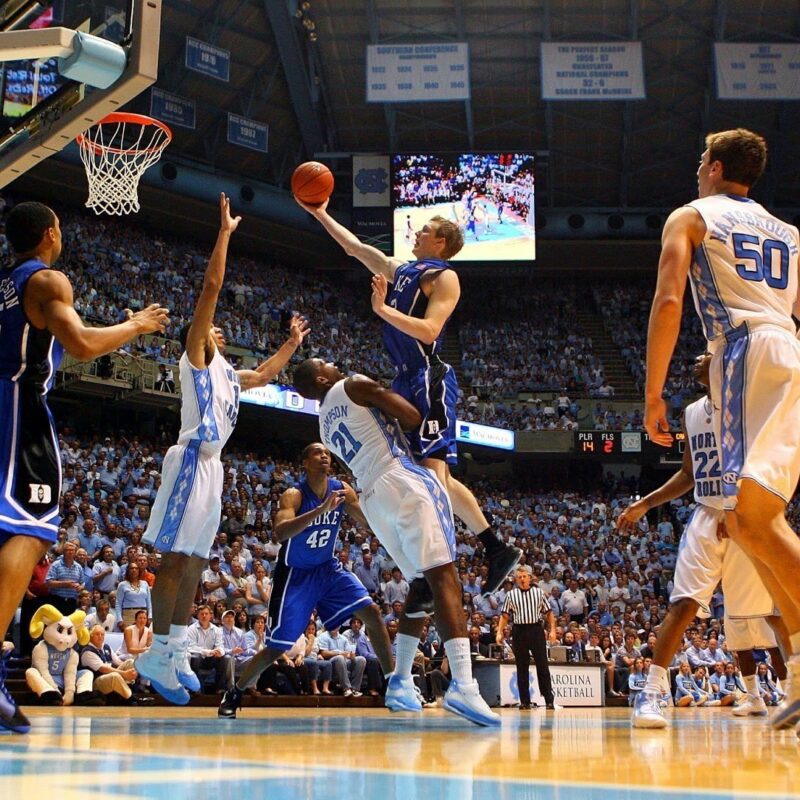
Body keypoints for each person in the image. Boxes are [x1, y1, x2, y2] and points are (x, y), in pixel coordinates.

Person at [643, 129, 800, 731]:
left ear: (711, 166)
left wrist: (654, 392)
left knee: (748, 517)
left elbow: (668, 302)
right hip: (786, 347)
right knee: (754, 519)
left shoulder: (691, 216)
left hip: (742, 351)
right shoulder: (786, 232)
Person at [297, 199, 521, 609]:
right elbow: (355, 248)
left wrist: (382, 310)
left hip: (427, 376)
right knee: (428, 478)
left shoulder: (445, 277)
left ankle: (443, 570)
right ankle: (490, 549)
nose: (416, 233)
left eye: (424, 230)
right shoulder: (402, 270)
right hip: (403, 376)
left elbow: (432, 329)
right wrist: (319, 214)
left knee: (434, 478)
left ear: (441, 240)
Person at [0, 201, 169, 732]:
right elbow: (80, 343)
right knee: (30, 528)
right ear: (50, 234)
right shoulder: (47, 281)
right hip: (15, 406)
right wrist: (135, 324)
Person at [135, 195, 310, 705]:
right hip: (190, 460)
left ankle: (177, 647)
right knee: (173, 561)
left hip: (214, 471)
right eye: (209, 325)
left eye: (216, 328)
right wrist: (226, 233)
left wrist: (293, 343)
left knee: (194, 563)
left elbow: (270, 373)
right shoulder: (196, 359)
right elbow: (211, 287)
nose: (215, 327)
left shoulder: (233, 376)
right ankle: (158, 651)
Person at [290, 358, 499, 725]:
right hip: (400, 477)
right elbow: (413, 416)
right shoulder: (353, 384)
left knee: (421, 586)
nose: (335, 363)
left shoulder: (323, 424)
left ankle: (400, 681)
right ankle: (464, 686)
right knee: (445, 577)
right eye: (327, 363)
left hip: (372, 497)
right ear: (322, 377)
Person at [623, 355, 789, 729]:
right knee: (682, 604)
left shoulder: (748, 402)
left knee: (772, 613)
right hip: (706, 514)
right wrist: (645, 503)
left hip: (745, 514)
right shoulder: (693, 412)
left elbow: (766, 461)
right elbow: (688, 473)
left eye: (708, 353)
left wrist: (739, 507)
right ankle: (651, 693)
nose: (699, 356)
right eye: (697, 355)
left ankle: (792, 690)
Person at [218, 442, 394, 717]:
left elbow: (365, 522)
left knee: (371, 611)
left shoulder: (342, 490)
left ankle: (395, 683)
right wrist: (319, 511)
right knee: (277, 648)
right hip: (296, 576)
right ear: (305, 463)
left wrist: (383, 513)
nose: (324, 455)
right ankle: (236, 691)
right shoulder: (294, 495)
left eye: (326, 452)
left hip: (327, 569)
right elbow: (279, 533)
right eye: (317, 452)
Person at [496, 567, 558, 710]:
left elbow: (549, 613)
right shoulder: (511, 595)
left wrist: (553, 630)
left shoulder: (538, 593)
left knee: (542, 665)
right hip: (519, 630)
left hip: (536, 629)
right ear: (516, 580)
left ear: (530, 578)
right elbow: (504, 615)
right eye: (519, 577)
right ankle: (525, 701)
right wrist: (500, 631)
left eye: (524, 576)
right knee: (521, 667)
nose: (522, 579)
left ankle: (549, 699)